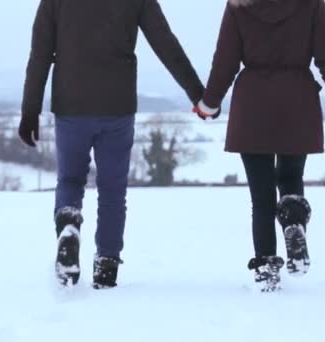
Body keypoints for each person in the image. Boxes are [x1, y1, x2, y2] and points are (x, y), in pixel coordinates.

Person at [19, 0, 204, 289]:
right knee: (112, 190)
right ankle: (107, 265)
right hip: (117, 107)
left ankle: (68, 226)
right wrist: (197, 93)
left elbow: (40, 54)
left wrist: (30, 110)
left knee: (70, 179)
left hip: (72, 105)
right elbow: (165, 44)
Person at [194, 0, 325, 292]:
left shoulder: (238, 6)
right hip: (297, 102)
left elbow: (225, 61)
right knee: (291, 177)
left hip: (252, 106)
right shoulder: (311, 5)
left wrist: (209, 103)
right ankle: (294, 222)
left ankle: (266, 268)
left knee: (261, 196)